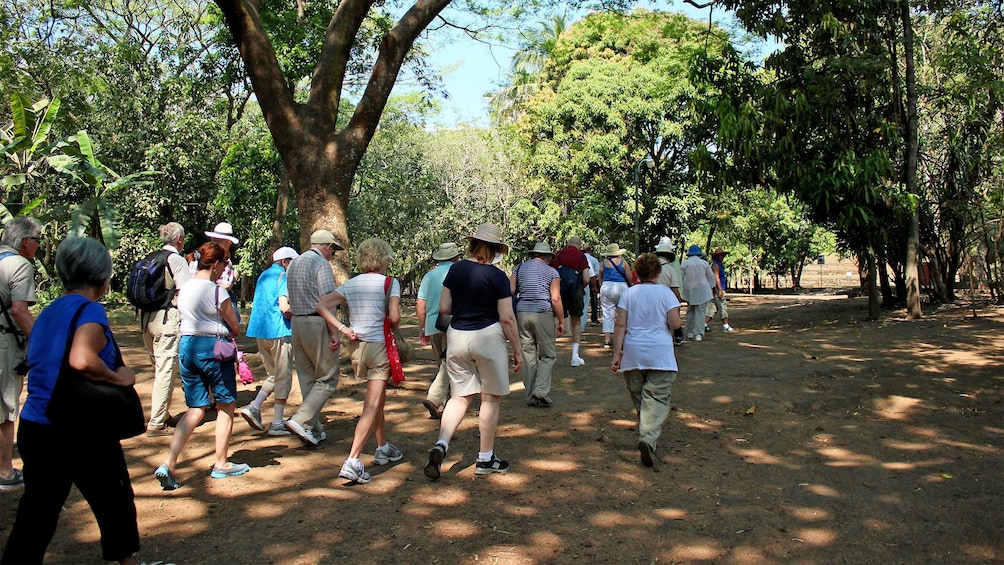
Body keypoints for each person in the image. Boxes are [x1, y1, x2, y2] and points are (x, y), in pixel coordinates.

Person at [1, 237, 156, 565]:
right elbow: (82, 359)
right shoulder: (89, 311)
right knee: (115, 502)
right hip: (80, 430)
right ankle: (129, 561)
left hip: (37, 425)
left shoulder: (47, 312)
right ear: (102, 277)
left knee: (36, 514)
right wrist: (119, 378)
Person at [424, 223, 522, 480]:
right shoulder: (498, 277)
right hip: (488, 337)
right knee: (490, 398)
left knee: (459, 397)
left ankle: (441, 444)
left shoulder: (455, 270)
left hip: (457, 337)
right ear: (494, 250)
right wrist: (518, 349)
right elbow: (507, 317)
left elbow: (444, 308)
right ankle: (485, 458)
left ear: (472, 245)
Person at [154, 242, 249, 490]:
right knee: (226, 405)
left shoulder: (184, 289)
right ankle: (221, 463)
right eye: (223, 265)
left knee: (195, 409)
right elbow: (235, 327)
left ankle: (169, 463)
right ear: (215, 264)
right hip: (213, 349)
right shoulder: (218, 292)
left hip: (187, 347)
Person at [330, 238, 404, 484]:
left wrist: (343, 328)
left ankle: (383, 447)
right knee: (371, 405)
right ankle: (353, 459)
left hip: (358, 349)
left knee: (378, 401)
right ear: (382, 259)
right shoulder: (389, 284)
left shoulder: (350, 284)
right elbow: (394, 318)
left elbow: (322, 305)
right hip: (380, 347)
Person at [609, 253, 682, 468]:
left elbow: (620, 325)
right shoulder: (666, 294)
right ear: (658, 272)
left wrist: (616, 354)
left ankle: (647, 434)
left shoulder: (629, 294)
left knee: (640, 396)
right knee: (657, 398)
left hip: (633, 353)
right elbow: (675, 324)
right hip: (660, 354)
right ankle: (648, 438)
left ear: (637, 273)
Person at [285, 230, 350, 446]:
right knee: (328, 376)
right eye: (333, 250)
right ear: (327, 247)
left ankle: (313, 428)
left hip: (296, 323)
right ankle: (301, 420)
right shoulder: (321, 264)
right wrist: (335, 332)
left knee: (307, 377)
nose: (333, 254)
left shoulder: (294, 263)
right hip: (315, 323)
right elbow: (328, 300)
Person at [240, 246, 299, 436]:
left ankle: (255, 407)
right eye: (292, 262)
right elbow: (284, 307)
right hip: (279, 331)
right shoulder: (283, 276)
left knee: (273, 375)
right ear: (284, 262)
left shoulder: (263, 276)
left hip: (260, 331)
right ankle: (277, 423)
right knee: (283, 377)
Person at [0, 216, 39, 490]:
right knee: (6, 409)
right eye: (37, 241)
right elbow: (19, 310)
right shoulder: (20, 265)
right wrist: (38, 343)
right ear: (25, 242)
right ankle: (5, 471)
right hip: (4, 343)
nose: (38, 246)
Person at [142, 222, 191, 437]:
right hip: (166, 320)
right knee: (166, 370)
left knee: (158, 369)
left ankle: (163, 412)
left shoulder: (150, 257)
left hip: (146, 320)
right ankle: (156, 423)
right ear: (179, 239)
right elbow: (186, 294)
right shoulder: (176, 260)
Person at [511, 242, 564, 406]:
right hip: (542, 313)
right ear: (547, 257)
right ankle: (540, 391)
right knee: (547, 354)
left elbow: (511, 290)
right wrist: (561, 320)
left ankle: (530, 395)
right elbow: (555, 299)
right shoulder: (551, 272)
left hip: (522, 313)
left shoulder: (518, 269)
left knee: (528, 355)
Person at [417, 242, 462, 419]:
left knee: (441, 362)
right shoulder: (459, 273)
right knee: (450, 362)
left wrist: (422, 328)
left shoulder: (429, 276)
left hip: (432, 325)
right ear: (455, 257)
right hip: (453, 323)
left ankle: (442, 401)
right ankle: (442, 400)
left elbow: (421, 303)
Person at [551, 236, 591, 366]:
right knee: (576, 321)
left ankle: (550, 354)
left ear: (568, 244)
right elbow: (586, 279)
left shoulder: (558, 254)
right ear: (579, 246)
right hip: (575, 291)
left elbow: (551, 273)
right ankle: (575, 356)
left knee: (555, 320)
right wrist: (579, 287)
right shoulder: (581, 257)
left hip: (558, 290)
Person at [196, 222, 240, 323]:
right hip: (215, 308)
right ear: (227, 243)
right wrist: (234, 278)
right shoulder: (225, 261)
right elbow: (226, 286)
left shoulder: (197, 256)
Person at [598, 243, 633, 350]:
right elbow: (629, 277)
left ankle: (607, 340)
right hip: (621, 287)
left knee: (607, 314)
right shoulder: (623, 262)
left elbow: (600, 277)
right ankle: (622, 339)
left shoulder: (603, 263)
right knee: (623, 313)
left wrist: (602, 286)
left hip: (606, 287)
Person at [679, 244, 716, 342]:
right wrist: (713, 286)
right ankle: (698, 334)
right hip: (702, 290)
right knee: (701, 312)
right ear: (699, 253)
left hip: (689, 290)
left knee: (690, 311)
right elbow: (711, 277)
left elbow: (681, 279)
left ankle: (690, 332)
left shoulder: (684, 264)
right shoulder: (704, 263)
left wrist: (681, 290)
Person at [654, 242, 685, 346]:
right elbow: (674, 288)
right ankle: (678, 335)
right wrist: (678, 299)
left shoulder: (650, 268)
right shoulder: (670, 269)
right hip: (666, 297)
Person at [705, 247, 735, 333]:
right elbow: (716, 277)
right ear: (717, 256)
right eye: (720, 255)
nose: (722, 257)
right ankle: (725, 325)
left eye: (723, 255)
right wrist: (720, 290)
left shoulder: (716, 264)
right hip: (718, 289)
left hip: (714, 289)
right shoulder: (716, 265)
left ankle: (704, 324)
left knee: (713, 308)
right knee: (723, 306)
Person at [582, 244, 601, 330]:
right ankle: (594, 319)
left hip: (582, 281)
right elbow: (596, 273)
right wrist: (595, 286)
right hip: (592, 280)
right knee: (593, 300)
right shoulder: (594, 259)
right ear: (590, 250)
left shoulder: (580, 257)